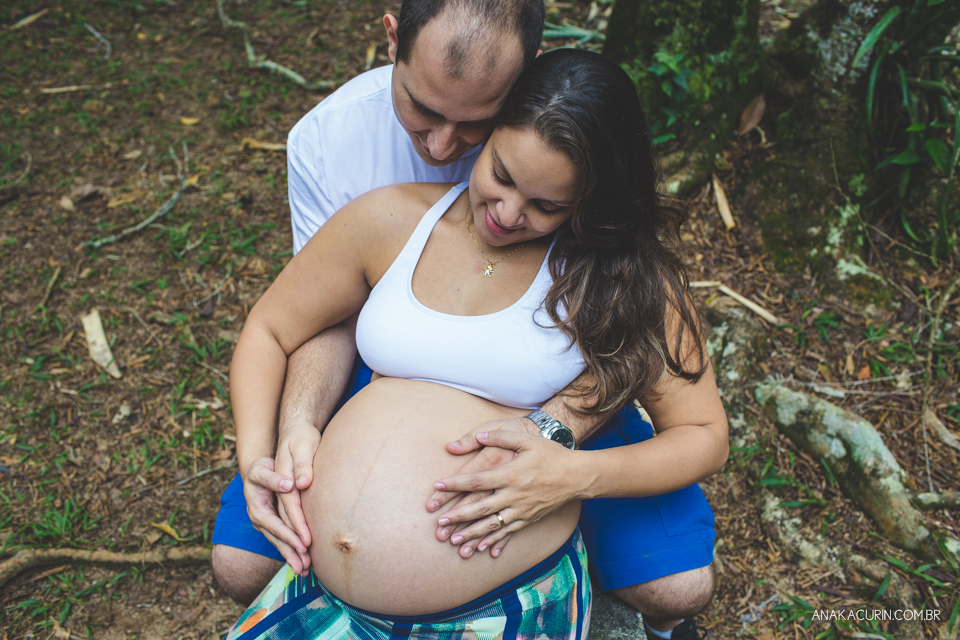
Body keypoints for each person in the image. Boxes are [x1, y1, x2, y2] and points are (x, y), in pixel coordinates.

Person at [211, 1, 723, 636]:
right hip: (331, 587)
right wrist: (267, 451)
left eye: (545, 203)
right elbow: (279, 326)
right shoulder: (381, 207)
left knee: (677, 585)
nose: (507, 213)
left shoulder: (620, 279)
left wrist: (572, 474)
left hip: (501, 597)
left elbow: (703, 430)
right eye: (500, 176)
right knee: (237, 565)